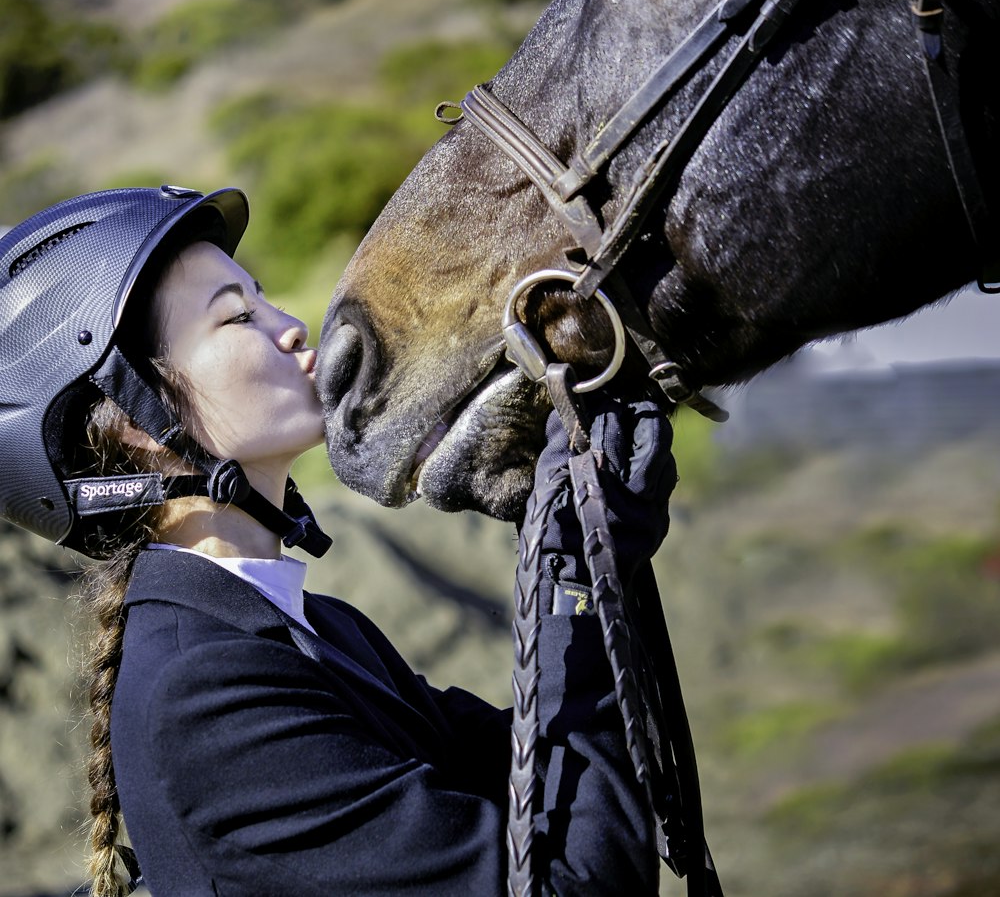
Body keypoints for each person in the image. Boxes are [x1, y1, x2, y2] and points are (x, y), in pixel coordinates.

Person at [0, 185, 677, 896]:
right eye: (236, 316)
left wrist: (584, 513)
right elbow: (572, 883)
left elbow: (545, 781)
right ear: (136, 426)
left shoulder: (312, 628)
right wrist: (577, 575)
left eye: (261, 299)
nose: (289, 326)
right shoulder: (202, 698)